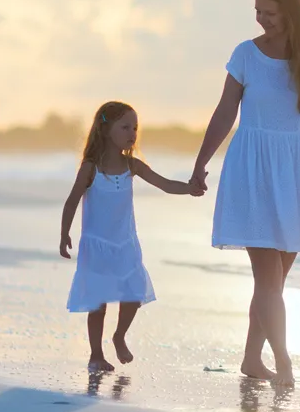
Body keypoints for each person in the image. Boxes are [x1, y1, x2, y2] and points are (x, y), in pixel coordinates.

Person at [191, 0, 300, 387]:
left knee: (275, 281)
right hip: (252, 170)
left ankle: (250, 359)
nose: (262, 19)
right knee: (267, 279)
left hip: (294, 171)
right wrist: (201, 161)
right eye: (257, 11)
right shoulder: (245, 54)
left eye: (270, 12)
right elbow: (225, 111)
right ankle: (283, 362)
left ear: (290, 12)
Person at [60, 100, 204, 372]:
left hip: (125, 244)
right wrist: (64, 233)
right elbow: (71, 201)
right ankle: (96, 355)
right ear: (105, 130)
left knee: (134, 293)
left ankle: (119, 335)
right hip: (97, 245)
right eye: (125, 126)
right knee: (98, 303)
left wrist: (190, 188)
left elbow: (165, 184)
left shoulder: (132, 166)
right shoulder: (91, 168)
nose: (132, 133)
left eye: (135, 128)